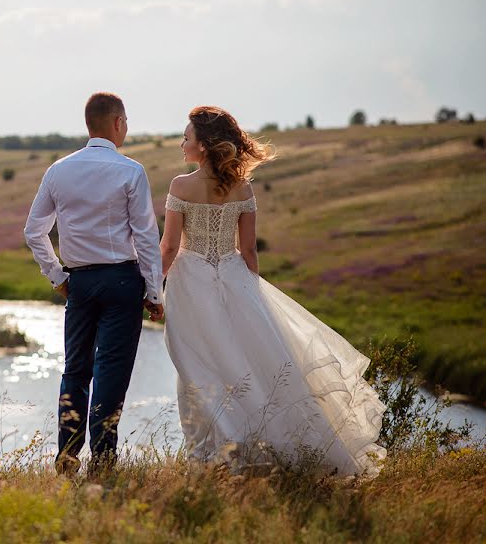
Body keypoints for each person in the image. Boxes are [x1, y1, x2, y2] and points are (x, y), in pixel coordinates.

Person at [160, 105, 386, 477]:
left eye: (187, 137)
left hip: (190, 284)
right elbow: (248, 250)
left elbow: (168, 247)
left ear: (204, 145)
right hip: (235, 276)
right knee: (250, 363)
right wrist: (252, 295)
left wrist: (153, 290)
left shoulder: (180, 186)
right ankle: (257, 444)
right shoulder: (242, 187)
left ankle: (213, 454)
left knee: (199, 366)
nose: (182, 143)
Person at [24, 92, 164, 476]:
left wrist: (57, 277)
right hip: (122, 281)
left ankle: (67, 455)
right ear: (118, 123)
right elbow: (146, 237)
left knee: (76, 369)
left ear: (89, 124)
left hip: (79, 282)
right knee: (111, 371)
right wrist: (154, 292)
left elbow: (34, 232)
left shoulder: (58, 170)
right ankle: (103, 461)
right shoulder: (131, 171)